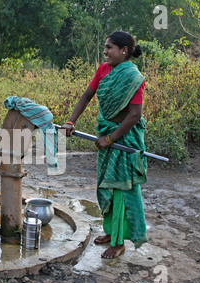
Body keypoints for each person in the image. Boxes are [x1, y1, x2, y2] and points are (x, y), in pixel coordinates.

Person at [61, 31, 147, 259]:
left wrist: (110, 139)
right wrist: (71, 121)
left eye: (109, 47)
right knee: (106, 185)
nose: (105, 51)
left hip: (124, 140)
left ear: (124, 51)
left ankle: (119, 242)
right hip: (106, 135)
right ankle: (111, 231)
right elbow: (87, 95)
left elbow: (135, 115)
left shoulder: (133, 77)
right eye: (105, 47)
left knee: (120, 190)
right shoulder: (103, 70)